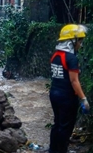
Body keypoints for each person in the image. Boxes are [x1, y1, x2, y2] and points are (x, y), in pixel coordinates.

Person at [49, 24, 90, 153]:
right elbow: (74, 81)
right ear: (72, 41)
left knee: (57, 124)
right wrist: (83, 99)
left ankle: (53, 150)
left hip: (54, 94)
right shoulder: (71, 58)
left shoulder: (56, 55)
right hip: (66, 97)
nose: (80, 44)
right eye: (79, 41)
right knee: (66, 127)